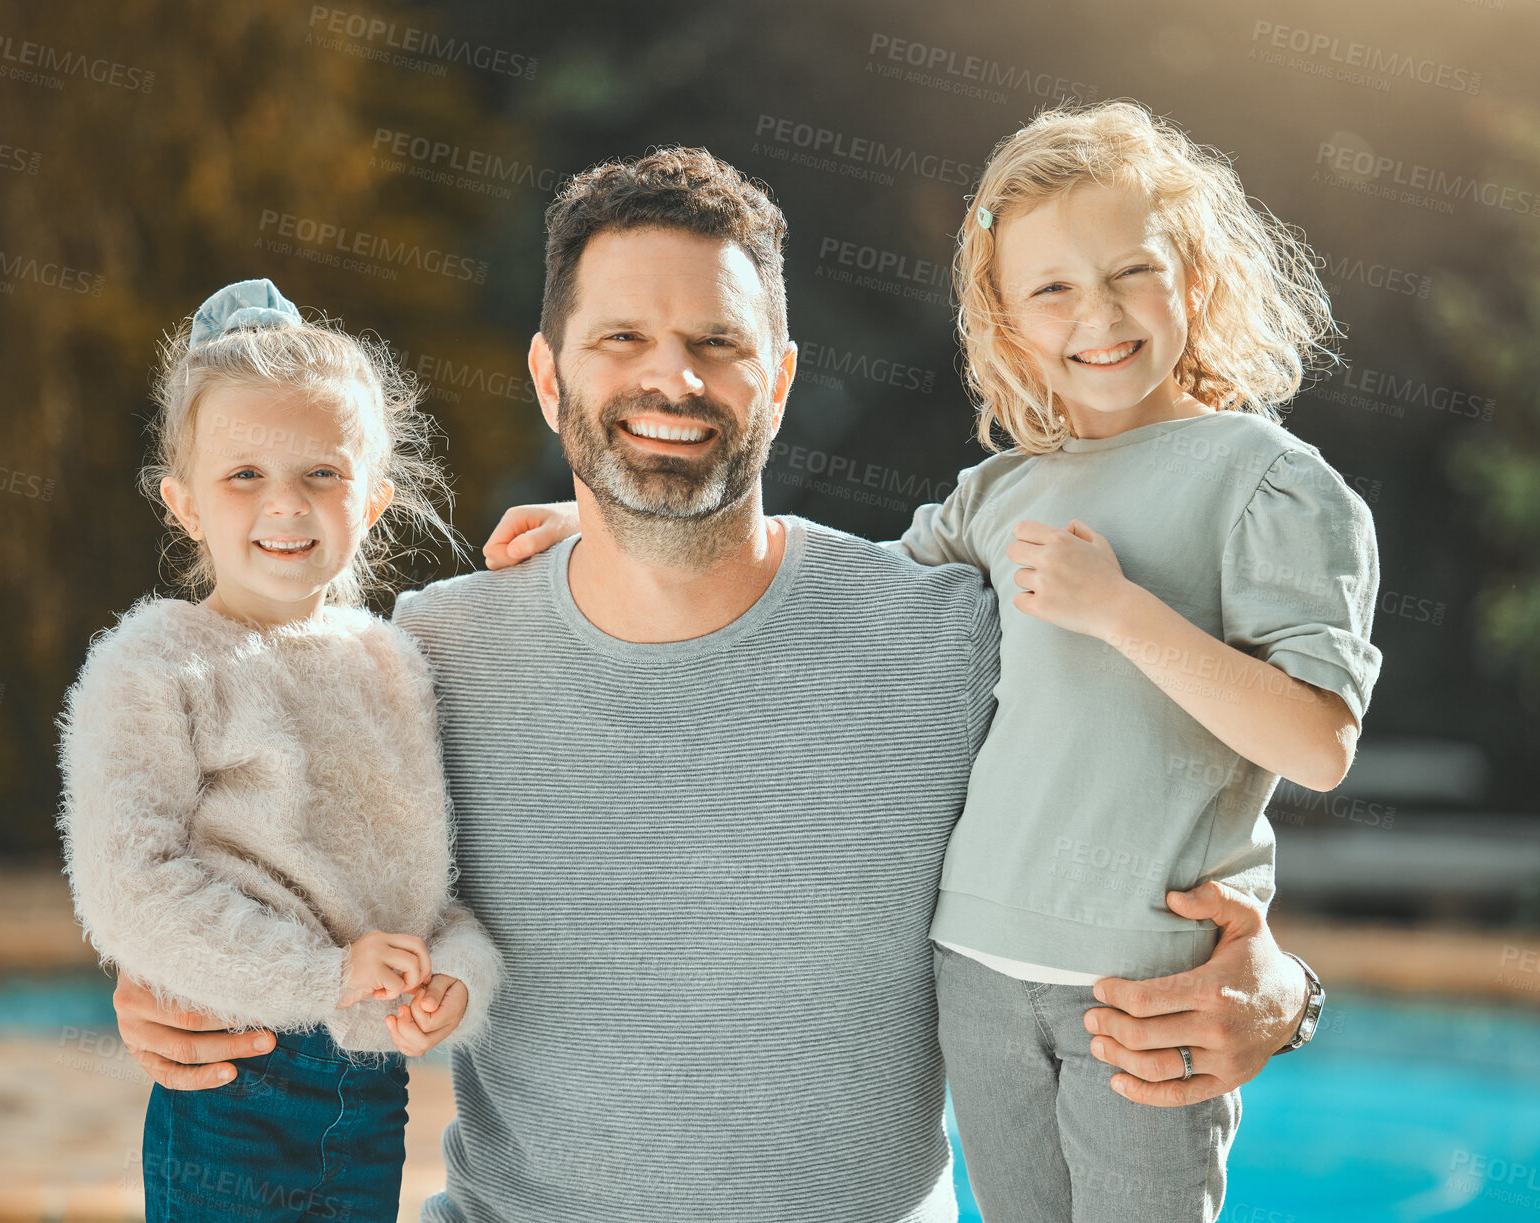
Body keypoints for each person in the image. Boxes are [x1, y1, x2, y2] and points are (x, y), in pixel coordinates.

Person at [113, 151, 1318, 1223]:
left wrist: (1283, 988)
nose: (670, 381)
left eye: (716, 344)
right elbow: (246, 843)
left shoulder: (950, 630)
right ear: (550, 377)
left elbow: (1168, 779)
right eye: (621, 341)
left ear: (779, 377)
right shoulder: (426, 659)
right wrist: (155, 985)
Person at [487, 106, 1377, 1221]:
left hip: (1143, 981)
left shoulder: (1268, 483)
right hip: (976, 967)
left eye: (1131, 272)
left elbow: (1318, 740)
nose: (1094, 315)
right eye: (1050, 288)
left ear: (1194, 280)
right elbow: (834, 590)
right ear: (1005, 320)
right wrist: (618, 527)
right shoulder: (1001, 492)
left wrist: (1121, 613)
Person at [56, 278, 503, 1221]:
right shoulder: (154, 663)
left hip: (374, 1096)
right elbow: (130, 887)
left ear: (374, 499)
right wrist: (324, 977)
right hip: (234, 1076)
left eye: (321, 473)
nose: (286, 505)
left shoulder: (394, 663)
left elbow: (430, 892)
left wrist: (458, 973)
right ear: (183, 503)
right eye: (244, 474)